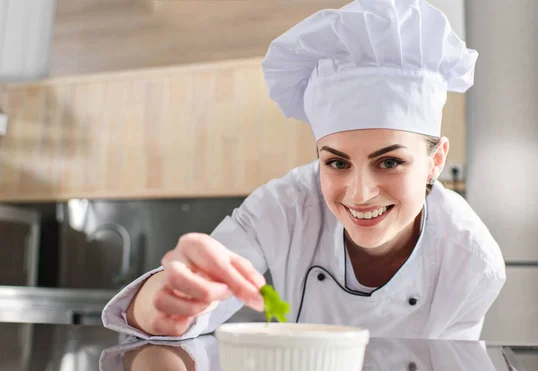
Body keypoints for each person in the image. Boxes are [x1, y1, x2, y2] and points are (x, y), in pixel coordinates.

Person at [102, 0, 506, 341]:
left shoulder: (470, 262)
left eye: (389, 162)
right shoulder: (286, 206)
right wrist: (166, 301)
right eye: (336, 162)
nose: (360, 193)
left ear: (435, 161)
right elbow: (183, 309)